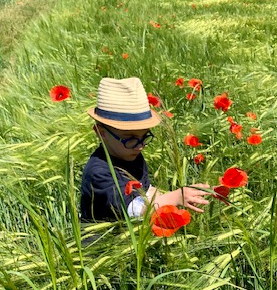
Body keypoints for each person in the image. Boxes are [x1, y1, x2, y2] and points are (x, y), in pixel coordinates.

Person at [81, 77, 211, 222]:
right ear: (101, 133)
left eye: (144, 137)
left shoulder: (132, 155)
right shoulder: (98, 172)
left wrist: (185, 198)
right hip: (102, 240)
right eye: (130, 137)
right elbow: (136, 210)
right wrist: (175, 197)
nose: (140, 146)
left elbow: (146, 191)